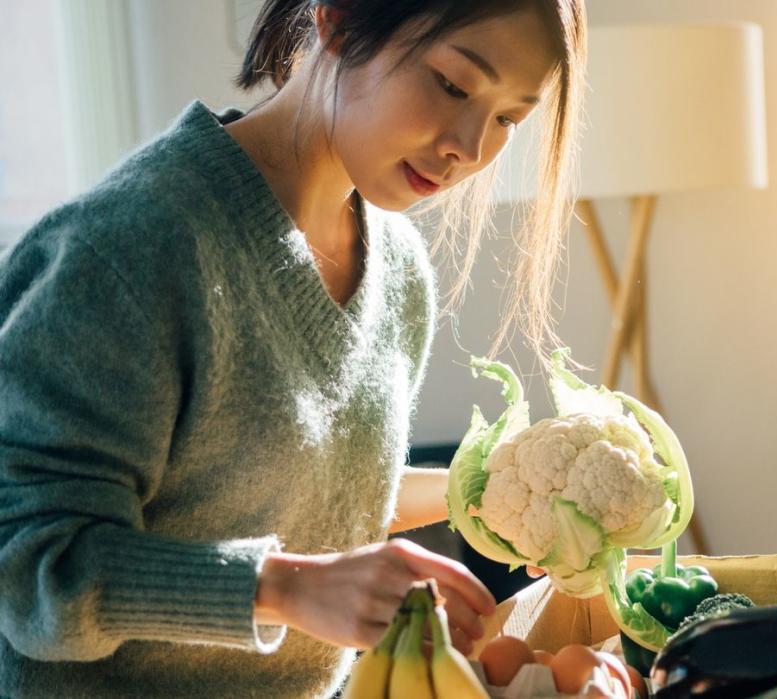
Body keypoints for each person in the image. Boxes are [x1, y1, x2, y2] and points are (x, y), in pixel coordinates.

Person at [0, 0, 586, 696]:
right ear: (336, 20)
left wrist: (491, 492)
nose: (469, 144)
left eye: (508, 118)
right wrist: (285, 588)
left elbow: (303, 491)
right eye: (453, 85)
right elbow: (32, 571)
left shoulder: (397, 270)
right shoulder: (126, 250)